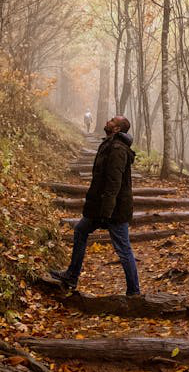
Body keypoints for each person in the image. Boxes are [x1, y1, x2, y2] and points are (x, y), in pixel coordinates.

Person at [51, 115, 141, 296]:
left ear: (116, 129)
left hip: (114, 210)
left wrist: (106, 213)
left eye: (112, 121)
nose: (108, 121)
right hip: (100, 207)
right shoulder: (109, 144)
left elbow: (113, 183)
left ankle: (134, 292)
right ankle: (71, 276)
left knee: (123, 249)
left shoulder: (117, 149)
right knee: (80, 231)